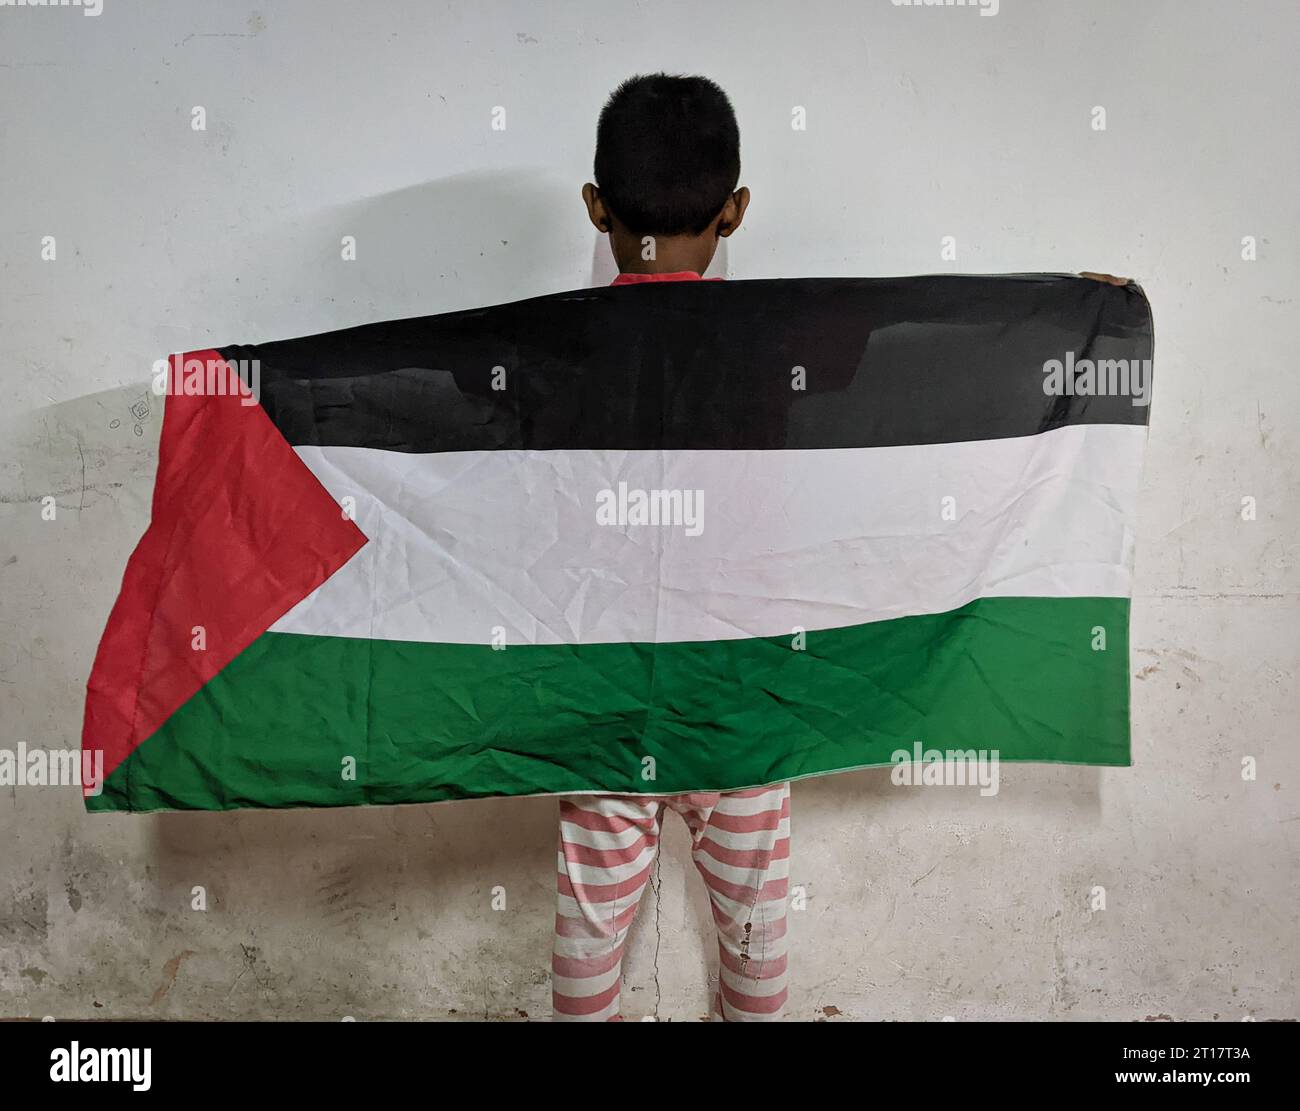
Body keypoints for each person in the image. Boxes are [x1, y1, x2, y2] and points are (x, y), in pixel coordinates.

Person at [551, 73, 790, 1023]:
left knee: (588, 925)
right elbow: (930, 360)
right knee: (758, 919)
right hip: (738, 690)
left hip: (604, 686)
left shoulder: (547, 354)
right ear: (735, 211)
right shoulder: (783, 355)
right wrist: (1069, 315)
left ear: (595, 206)